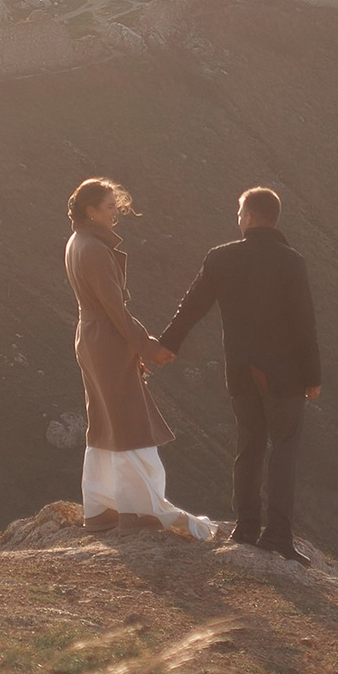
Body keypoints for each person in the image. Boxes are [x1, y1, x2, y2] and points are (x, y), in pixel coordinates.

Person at [158, 186, 321, 563]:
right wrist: (313, 376)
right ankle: (277, 534)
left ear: (247, 216)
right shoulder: (291, 262)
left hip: (241, 371)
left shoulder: (221, 257)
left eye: (239, 212)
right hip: (284, 374)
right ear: (273, 219)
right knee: (284, 448)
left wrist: (167, 345)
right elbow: (304, 323)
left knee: (249, 446)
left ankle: (246, 527)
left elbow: (192, 306)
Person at [64, 178, 217, 540]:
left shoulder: (77, 242)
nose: (115, 213)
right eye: (109, 207)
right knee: (130, 424)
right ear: (91, 211)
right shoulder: (95, 249)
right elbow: (115, 310)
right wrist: (147, 347)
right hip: (106, 338)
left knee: (106, 421)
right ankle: (139, 510)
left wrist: (133, 348)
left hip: (93, 339)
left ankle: (102, 508)